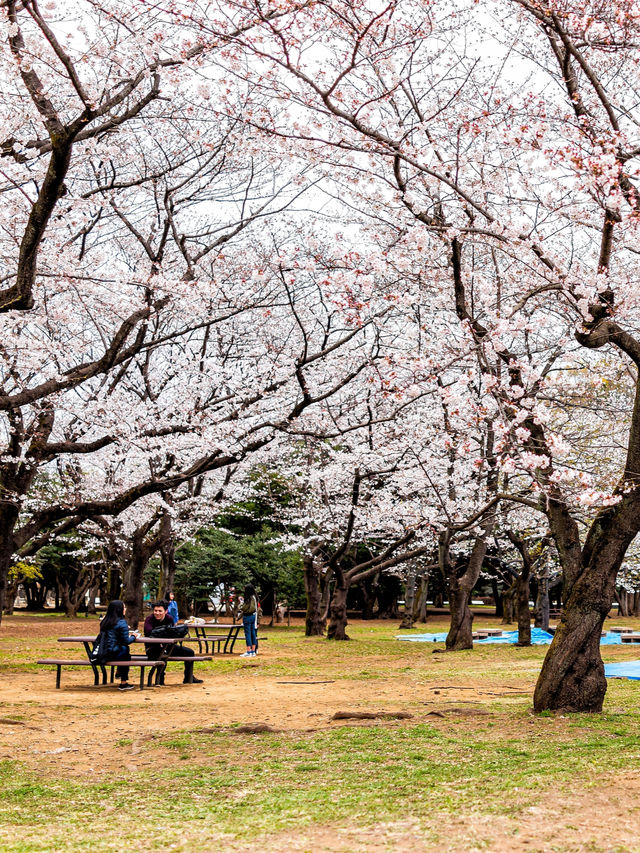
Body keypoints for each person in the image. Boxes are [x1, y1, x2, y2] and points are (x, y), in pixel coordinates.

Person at [143, 600, 202, 684]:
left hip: (168, 647)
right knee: (162, 655)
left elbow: (173, 633)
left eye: (160, 611)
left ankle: (188, 677)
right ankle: (160, 679)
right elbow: (149, 633)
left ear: (166, 611)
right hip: (152, 648)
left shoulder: (169, 618)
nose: (157, 613)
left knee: (190, 652)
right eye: (155, 610)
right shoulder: (149, 619)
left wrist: (164, 633)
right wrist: (165, 632)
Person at [99, 600, 138, 691]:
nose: (125, 609)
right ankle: (123, 683)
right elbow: (126, 641)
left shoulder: (104, 622)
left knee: (124, 652)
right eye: (124, 607)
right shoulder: (122, 622)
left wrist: (124, 629)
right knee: (126, 651)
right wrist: (133, 636)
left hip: (103, 652)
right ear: (119, 610)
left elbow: (111, 635)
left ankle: (119, 671)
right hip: (113, 654)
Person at [239, 584, 258, 658]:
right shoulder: (255, 597)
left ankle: (248, 651)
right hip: (253, 616)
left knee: (248, 634)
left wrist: (241, 602)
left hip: (247, 617)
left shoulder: (248, 598)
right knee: (253, 633)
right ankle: (253, 651)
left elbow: (243, 608)